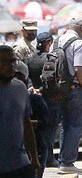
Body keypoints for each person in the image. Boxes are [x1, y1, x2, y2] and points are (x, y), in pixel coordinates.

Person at [0, 45, 41, 178]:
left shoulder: (19, 88)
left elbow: (26, 123)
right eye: (5, 62)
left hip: (18, 159)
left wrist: (34, 158)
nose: (10, 66)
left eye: (13, 61)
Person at [56, 18, 82, 175]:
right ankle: (67, 162)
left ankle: (64, 161)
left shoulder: (57, 41)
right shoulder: (79, 43)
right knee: (76, 126)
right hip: (76, 89)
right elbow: (78, 69)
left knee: (65, 125)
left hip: (61, 90)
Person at [26, 32, 55, 168]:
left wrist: (32, 88)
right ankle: (49, 158)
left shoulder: (31, 58)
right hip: (48, 98)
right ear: (48, 43)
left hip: (34, 98)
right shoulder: (49, 58)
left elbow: (27, 76)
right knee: (49, 129)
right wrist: (41, 90)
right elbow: (50, 79)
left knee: (39, 129)